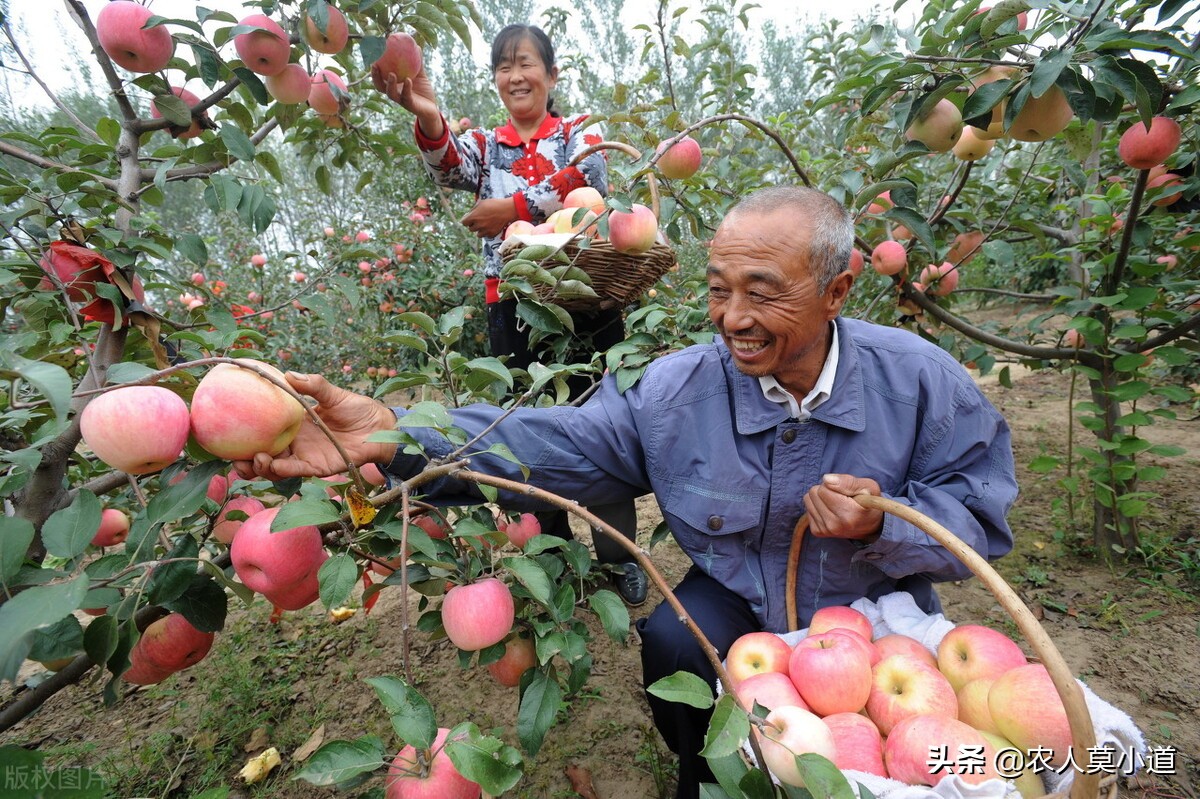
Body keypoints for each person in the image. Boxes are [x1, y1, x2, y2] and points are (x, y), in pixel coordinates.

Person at [235, 186, 1018, 799]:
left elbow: (978, 508)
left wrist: (884, 523)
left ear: (839, 289)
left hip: (870, 608)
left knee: (898, 742)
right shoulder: (680, 389)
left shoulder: (922, 382)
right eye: (719, 289)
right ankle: (704, 772)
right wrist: (397, 435)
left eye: (763, 291)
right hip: (742, 588)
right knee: (675, 643)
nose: (733, 318)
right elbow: (561, 445)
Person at [371, 23, 646, 604]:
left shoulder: (577, 131)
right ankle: (557, 554)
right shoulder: (486, 144)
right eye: (503, 66)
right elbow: (448, 167)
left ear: (551, 74)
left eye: (525, 63)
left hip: (587, 299)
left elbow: (591, 174)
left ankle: (618, 554)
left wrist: (511, 208)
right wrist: (426, 114)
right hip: (514, 305)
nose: (515, 75)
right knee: (530, 433)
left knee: (603, 428)